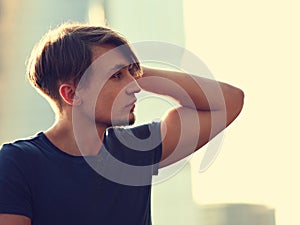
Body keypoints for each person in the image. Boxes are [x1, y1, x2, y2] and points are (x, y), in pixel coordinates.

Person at [0, 22, 244, 225]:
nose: (136, 86)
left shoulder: (135, 150)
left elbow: (230, 101)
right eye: (116, 76)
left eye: (132, 74)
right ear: (71, 94)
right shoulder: (18, 162)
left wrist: (133, 68)